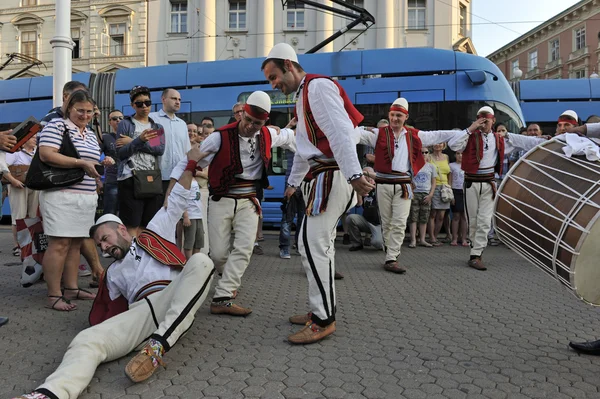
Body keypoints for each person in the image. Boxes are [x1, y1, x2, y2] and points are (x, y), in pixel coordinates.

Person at [13, 146, 215, 399]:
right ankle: (48, 394)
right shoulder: (112, 274)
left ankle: (157, 346)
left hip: (174, 296)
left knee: (200, 261)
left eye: (106, 239)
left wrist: (190, 165)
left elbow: (178, 198)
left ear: (121, 230)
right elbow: (107, 313)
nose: (105, 247)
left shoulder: (154, 232)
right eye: (100, 246)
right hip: (142, 314)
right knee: (87, 340)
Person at [263, 42, 374, 344]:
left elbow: (340, 133)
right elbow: (303, 147)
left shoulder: (317, 87)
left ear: (288, 65)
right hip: (324, 176)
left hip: (332, 176)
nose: (274, 85)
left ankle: (323, 318)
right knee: (311, 243)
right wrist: (293, 183)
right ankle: (321, 309)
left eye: (274, 77)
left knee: (313, 245)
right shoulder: (304, 95)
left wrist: (354, 175)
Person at [170, 90, 296, 317]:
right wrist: (172, 191)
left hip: (249, 200)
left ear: (264, 122)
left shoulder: (267, 133)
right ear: (242, 114)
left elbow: (290, 137)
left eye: (256, 123)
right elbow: (189, 160)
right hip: (222, 199)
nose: (250, 126)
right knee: (218, 254)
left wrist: (312, 154)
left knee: (245, 248)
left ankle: (223, 296)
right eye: (247, 120)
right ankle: (227, 279)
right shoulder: (219, 136)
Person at [357, 98, 470, 273]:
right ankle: (389, 254)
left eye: (399, 115)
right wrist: (354, 127)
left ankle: (392, 258)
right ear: (389, 115)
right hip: (384, 183)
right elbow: (354, 133)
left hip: (403, 184)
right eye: (392, 115)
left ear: (405, 117)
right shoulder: (379, 134)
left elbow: (438, 134)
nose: (395, 118)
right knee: (387, 222)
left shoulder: (414, 135)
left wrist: (464, 132)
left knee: (400, 222)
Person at [448, 106, 548, 271]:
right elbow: (453, 145)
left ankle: (476, 254)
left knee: (485, 220)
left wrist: (544, 139)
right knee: (472, 219)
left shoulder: (499, 139)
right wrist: (472, 127)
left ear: (493, 121)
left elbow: (526, 142)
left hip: (489, 183)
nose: (484, 123)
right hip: (471, 182)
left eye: (487, 120)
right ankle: (475, 249)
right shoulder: (469, 137)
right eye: (481, 119)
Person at [38, 89, 102, 311]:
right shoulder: (57, 126)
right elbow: (46, 153)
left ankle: (72, 288)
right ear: (69, 109)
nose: (85, 115)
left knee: (75, 244)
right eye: (80, 111)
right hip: (60, 194)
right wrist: (81, 163)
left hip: (85, 196)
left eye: (89, 111)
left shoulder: (91, 133)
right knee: (60, 244)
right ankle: (54, 294)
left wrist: (98, 174)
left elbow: (92, 160)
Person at [116, 86, 165, 238]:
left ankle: (142, 258)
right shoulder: (125, 124)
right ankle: (131, 258)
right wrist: (140, 141)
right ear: (132, 105)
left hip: (151, 178)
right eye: (139, 104)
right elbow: (121, 153)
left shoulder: (157, 127)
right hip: (130, 178)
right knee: (132, 225)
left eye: (147, 102)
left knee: (147, 225)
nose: (144, 106)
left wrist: (135, 142)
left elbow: (160, 150)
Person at [149, 88, 190, 193]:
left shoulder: (182, 124)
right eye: (174, 98)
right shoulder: (152, 119)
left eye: (179, 100)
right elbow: (151, 146)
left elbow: (187, 151)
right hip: (158, 177)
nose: (177, 102)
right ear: (163, 99)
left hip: (179, 177)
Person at [5, 135, 39, 256]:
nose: (35, 139)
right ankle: (17, 246)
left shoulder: (38, 152)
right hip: (18, 186)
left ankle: (31, 244)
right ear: (24, 140)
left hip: (34, 186)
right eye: (32, 137)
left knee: (33, 216)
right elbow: (4, 168)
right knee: (18, 216)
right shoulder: (15, 152)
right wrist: (13, 181)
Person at [346, 167, 383, 251]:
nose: (367, 178)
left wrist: (374, 184)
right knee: (350, 218)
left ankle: (385, 240)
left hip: (379, 224)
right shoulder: (363, 188)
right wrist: (359, 189)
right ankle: (357, 244)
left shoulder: (380, 186)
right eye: (365, 175)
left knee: (377, 243)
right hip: (366, 221)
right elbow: (359, 203)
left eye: (368, 175)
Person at [407, 147, 437, 248]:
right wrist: (411, 190)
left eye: (426, 152)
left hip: (426, 194)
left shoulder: (431, 167)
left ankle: (423, 239)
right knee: (413, 218)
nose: (424, 154)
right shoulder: (412, 165)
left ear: (429, 154)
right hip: (415, 193)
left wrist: (431, 195)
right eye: (421, 152)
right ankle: (413, 240)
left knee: (424, 218)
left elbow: (433, 182)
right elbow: (408, 179)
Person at [428, 142, 452, 246]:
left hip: (445, 188)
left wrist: (449, 186)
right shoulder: (428, 157)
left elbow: (449, 173)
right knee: (432, 213)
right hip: (434, 186)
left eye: (440, 143)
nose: (438, 145)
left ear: (444, 145)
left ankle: (436, 236)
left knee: (441, 215)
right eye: (436, 143)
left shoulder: (446, 157)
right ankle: (432, 238)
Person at [99, 110, 122, 216]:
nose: (118, 120)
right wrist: (104, 160)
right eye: (114, 118)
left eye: (121, 118)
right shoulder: (106, 137)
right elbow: (94, 156)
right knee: (110, 212)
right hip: (112, 179)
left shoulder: (132, 136)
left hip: (131, 180)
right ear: (109, 122)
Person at [449, 151, 468, 247]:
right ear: (455, 155)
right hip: (456, 191)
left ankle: (464, 238)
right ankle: (454, 238)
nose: (460, 155)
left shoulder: (468, 165)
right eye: (458, 153)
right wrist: (451, 194)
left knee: (464, 216)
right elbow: (450, 181)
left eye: (462, 153)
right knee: (456, 216)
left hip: (465, 192)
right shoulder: (452, 166)